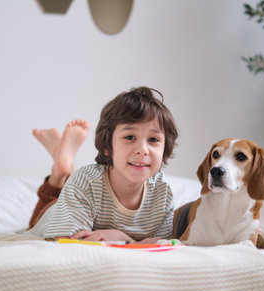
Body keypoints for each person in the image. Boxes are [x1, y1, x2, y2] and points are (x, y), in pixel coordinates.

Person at [28, 87, 178, 244]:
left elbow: (162, 244)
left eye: (153, 140)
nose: (142, 150)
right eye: (130, 137)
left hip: (80, 201)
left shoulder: (163, 191)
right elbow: (66, 242)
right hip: (55, 215)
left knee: (74, 187)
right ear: (107, 147)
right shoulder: (86, 181)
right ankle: (59, 174)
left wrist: (123, 238)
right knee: (39, 216)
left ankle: (62, 162)